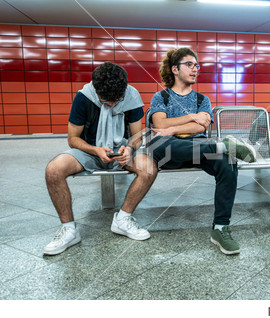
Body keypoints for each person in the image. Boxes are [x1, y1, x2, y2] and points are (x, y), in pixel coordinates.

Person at [148, 47, 257, 255]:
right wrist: (190, 117)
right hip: (170, 151)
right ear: (174, 69)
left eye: (196, 65)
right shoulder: (160, 97)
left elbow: (200, 128)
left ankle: (220, 227)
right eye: (189, 65)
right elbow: (160, 124)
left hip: (199, 148)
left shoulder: (202, 100)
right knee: (161, 143)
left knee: (228, 161)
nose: (195, 69)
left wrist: (172, 128)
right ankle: (221, 145)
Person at [44, 62, 157, 255]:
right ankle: (69, 229)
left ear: (124, 90)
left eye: (116, 99)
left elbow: (137, 135)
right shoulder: (83, 98)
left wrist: (129, 148)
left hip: (121, 149)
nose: (111, 104)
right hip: (90, 150)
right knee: (53, 170)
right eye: (105, 100)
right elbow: (73, 139)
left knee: (149, 168)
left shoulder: (132, 96)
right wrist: (96, 150)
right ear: (96, 89)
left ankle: (123, 219)